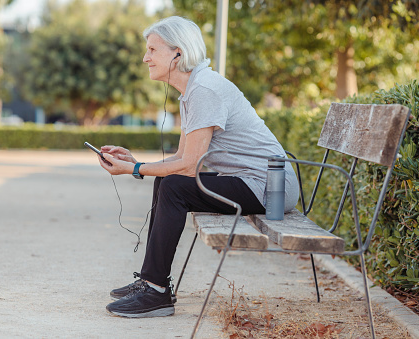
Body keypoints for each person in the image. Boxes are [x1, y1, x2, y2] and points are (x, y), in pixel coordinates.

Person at [96, 16, 299, 318]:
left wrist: (135, 169)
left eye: (152, 50)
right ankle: (151, 282)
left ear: (177, 53)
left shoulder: (205, 90)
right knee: (167, 182)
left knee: (175, 186)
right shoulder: (191, 92)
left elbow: (189, 167)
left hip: (269, 188)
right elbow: (183, 158)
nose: (145, 57)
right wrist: (134, 161)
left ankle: (157, 292)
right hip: (252, 181)